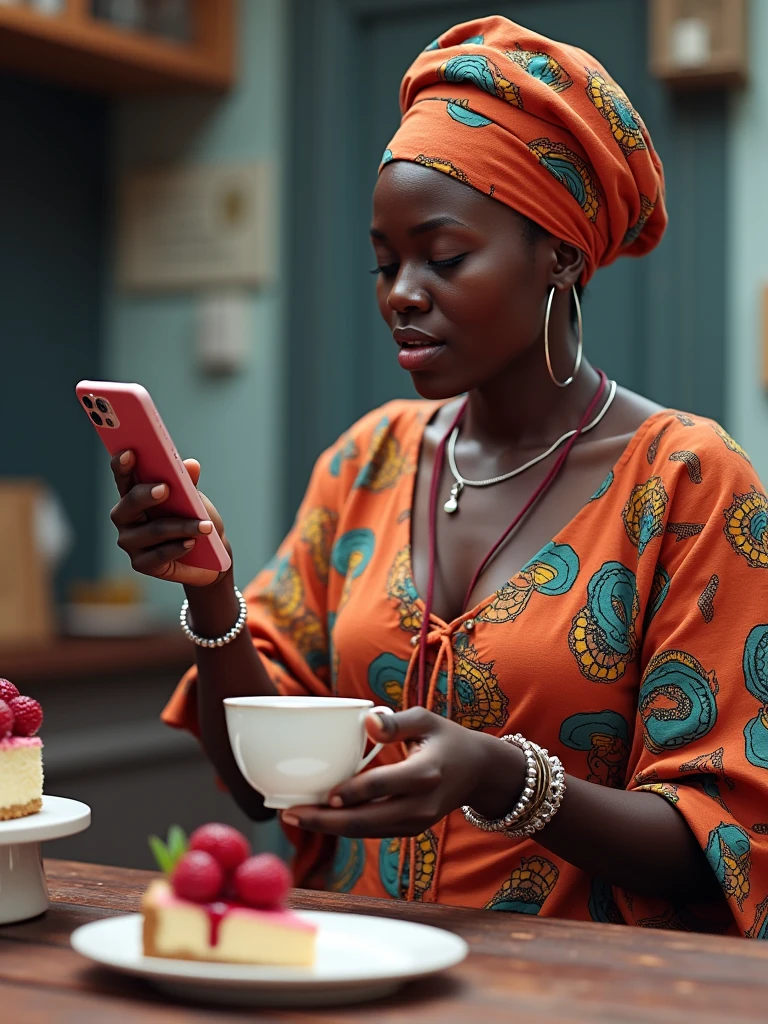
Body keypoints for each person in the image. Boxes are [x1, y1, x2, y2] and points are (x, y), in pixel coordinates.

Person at [109, 17, 768, 936]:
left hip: (583, 995)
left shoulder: (691, 483)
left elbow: (725, 840)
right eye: (385, 264)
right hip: (349, 970)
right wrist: (212, 595)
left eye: (444, 256)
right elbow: (268, 793)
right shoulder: (367, 460)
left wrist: (505, 778)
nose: (402, 292)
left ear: (563, 255)